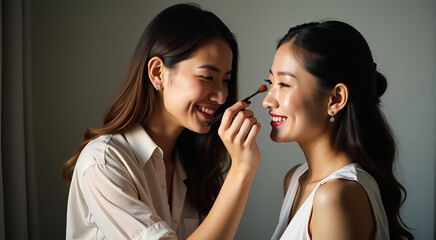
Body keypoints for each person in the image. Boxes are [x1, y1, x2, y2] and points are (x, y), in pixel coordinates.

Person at [63, 4, 261, 239]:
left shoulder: (194, 163)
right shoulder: (104, 163)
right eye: (207, 77)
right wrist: (242, 170)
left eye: (225, 81)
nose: (221, 96)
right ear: (158, 72)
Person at [262, 21, 413, 239]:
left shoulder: (334, 197)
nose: (267, 101)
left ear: (336, 99)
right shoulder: (296, 179)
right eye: (270, 82)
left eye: (284, 84)